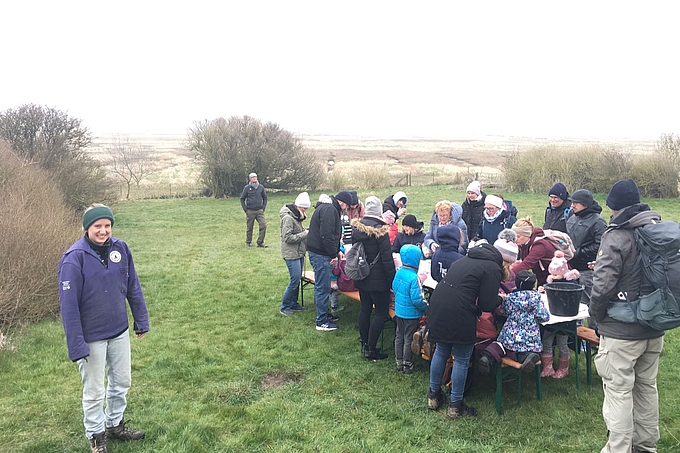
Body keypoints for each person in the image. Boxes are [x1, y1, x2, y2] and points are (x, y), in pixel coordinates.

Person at [58, 204, 149, 453]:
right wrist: (77, 344)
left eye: (107, 225)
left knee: (122, 382)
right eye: (97, 226)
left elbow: (133, 286)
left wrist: (141, 320)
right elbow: (68, 308)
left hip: (118, 331)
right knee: (95, 391)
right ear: (87, 228)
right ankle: (96, 437)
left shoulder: (121, 248)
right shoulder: (73, 258)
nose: (103, 231)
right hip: (91, 338)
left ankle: (114, 425)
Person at [590, 179, 664, 453]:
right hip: (654, 326)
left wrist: (597, 317)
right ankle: (646, 446)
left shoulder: (617, 234)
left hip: (621, 330)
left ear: (613, 206)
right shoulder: (656, 228)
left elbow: (603, 285)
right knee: (647, 388)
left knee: (619, 391)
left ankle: (618, 449)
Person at [426, 241, 503, 419]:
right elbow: (486, 304)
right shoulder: (492, 267)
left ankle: (433, 396)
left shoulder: (464, 259)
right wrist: (500, 299)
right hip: (459, 310)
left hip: (438, 302)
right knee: (461, 359)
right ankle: (456, 406)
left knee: (442, 350)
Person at [478, 270, 550, 374]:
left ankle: (488, 356)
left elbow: (503, 311)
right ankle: (528, 357)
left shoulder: (511, 298)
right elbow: (544, 317)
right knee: (523, 351)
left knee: (499, 345)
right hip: (528, 339)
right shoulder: (537, 299)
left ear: (516, 283)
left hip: (509, 337)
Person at [352, 196, 396, 360]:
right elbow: (386, 258)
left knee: (364, 308)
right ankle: (371, 349)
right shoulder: (382, 230)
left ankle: (364, 343)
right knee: (380, 312)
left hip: (362, 274)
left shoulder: (357, 228)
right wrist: (392, 280)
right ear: (379, 211)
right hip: (378, 279)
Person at [307, 191, 352, 331]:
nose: (346, 209)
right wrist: (333, 253)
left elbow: (332, 234)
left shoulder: (329, 208)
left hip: (320, 252)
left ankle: (324, 314)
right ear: (342, 202)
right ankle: (321, 321)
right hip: (320, 254)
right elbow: (326, 235)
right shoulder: (329, 209)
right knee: (322, 287)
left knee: (324, 286)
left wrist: (337, 250)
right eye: (347, 206)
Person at [565, 188, 607, 326]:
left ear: (586, 204)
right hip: (570, 268)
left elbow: (601, 245)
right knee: (573, 303)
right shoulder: (572, 216)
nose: (572, 205)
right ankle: (575, 333)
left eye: (576, 203)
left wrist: (578, 252)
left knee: (588, 303)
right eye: (572, 202)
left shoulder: (598, 221)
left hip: (587, 270)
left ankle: (592, 334)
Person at [540, 250, 580, 379]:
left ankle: (564, 368)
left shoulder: (571, 285)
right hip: (551, 318)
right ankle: (548, 367)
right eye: (552, 274)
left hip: (565, 321)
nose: (553, 276)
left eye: (556, 274)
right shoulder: (551, 282)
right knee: (547, 341)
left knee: (562, 343)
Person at [392, 244, 428, 374]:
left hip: (399, 311)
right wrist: (426, 307)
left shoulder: (399, 272)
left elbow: (394, 287)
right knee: (408, 338)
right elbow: (417, 299)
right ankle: (407, 364)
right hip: (411, 314)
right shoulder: (414, 278)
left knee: (399, 336)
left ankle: (399, 361)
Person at [279, 192, 311, 315]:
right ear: (298, 207)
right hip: (291, 254)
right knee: (294, 280)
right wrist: (305, 234)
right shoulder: (288, 218)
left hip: (299, 253)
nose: (306, 211)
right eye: (304, 208)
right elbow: (287, 238)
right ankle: (284, 306)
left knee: (297, 279)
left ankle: (293, 303)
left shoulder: (296, 217)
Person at [510, 216, 557, 287]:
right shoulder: (524, 243)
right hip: (543, 277)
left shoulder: (540, 245)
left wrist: (507, 275)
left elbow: (527, 263)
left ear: (527, 234)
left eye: (518, 236)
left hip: (557, 279)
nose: (515, 239)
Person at [240, 172, 268, 247]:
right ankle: (248, 242)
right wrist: (245, 210)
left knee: (263, 225)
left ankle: (260, 242)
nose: (254, 178)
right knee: (249, 227)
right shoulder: (247, 188)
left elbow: (265, 198)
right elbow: (242, 199)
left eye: (255, 177)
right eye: (252, 177)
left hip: (259, 210)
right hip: (250, 211)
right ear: (250, 179)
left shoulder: (261, 187)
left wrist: (263, 208)